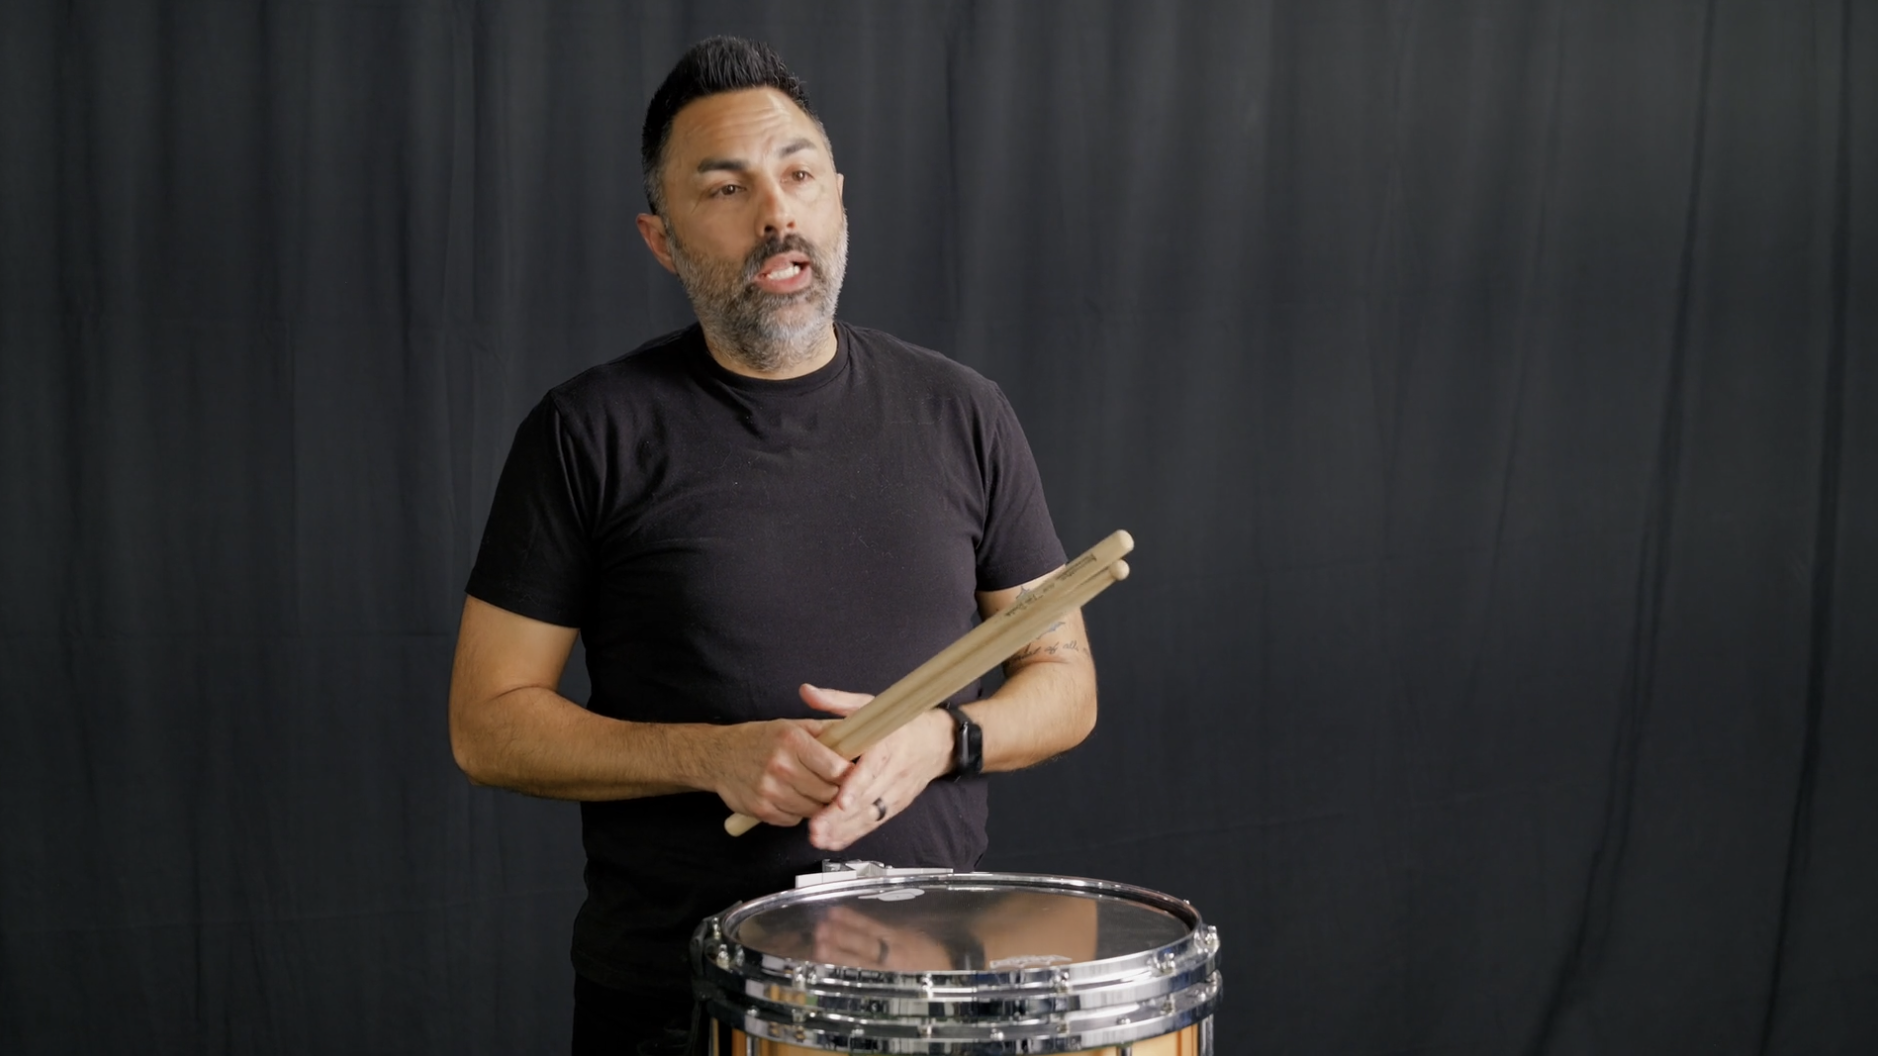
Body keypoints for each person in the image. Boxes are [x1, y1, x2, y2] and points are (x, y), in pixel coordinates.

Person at [447, 36, 1098, 1056]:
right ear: (662, 240)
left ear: (839, 200)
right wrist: (714, 757)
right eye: (727, 189)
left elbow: (1065, 677)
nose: (777, 213)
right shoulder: (588, 432)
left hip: (935, 999)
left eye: (799, 176)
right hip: (682, 1001)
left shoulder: (963, 411)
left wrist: (940, 739)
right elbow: (485, 726)